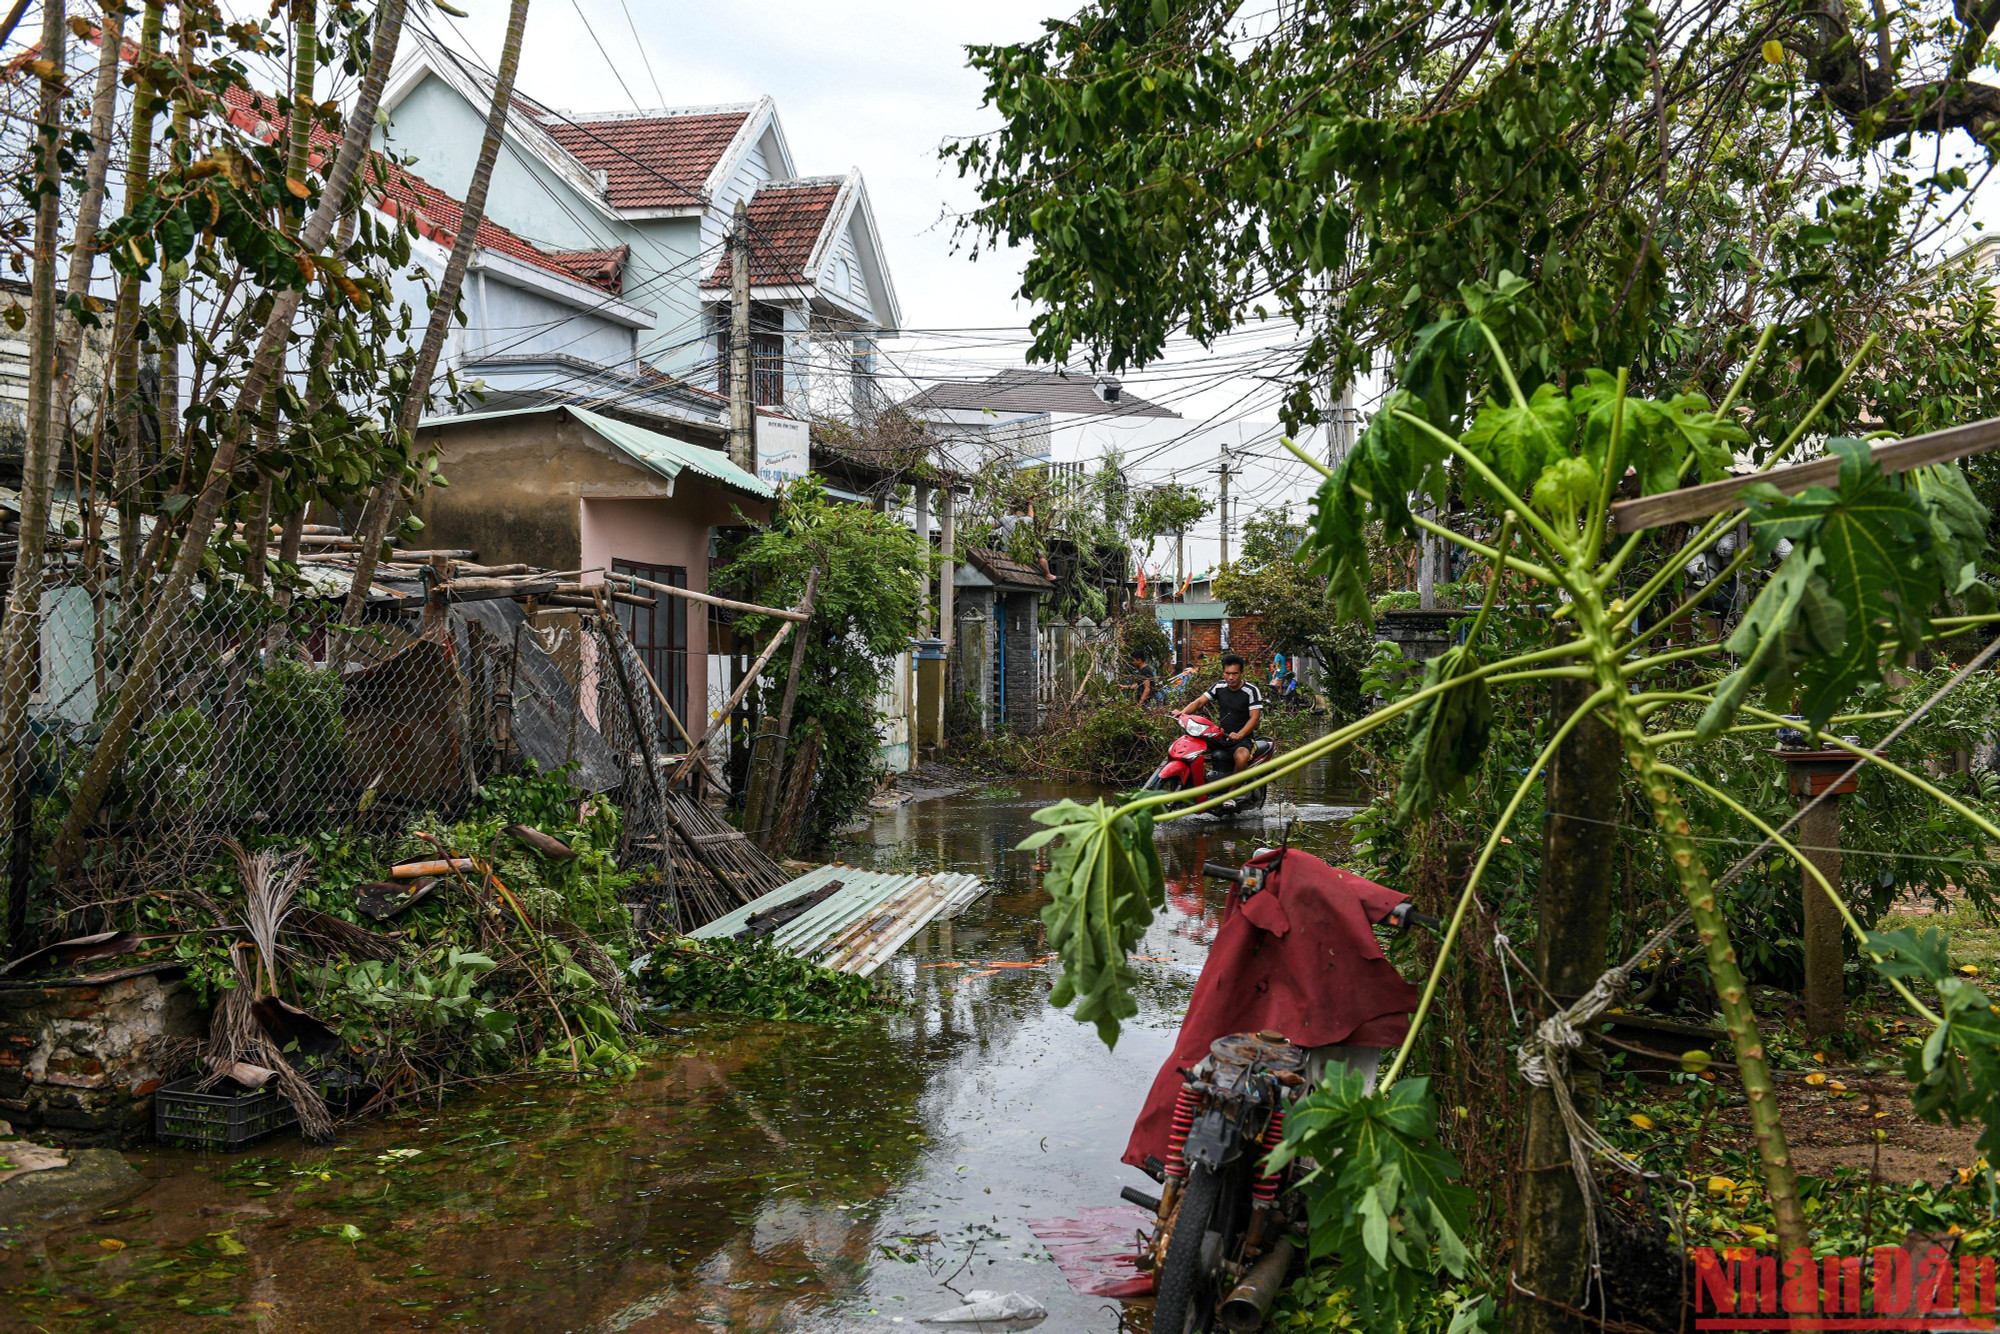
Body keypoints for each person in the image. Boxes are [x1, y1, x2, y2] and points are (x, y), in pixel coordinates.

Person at [1186, 653, 1264, 773]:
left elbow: (1254, 718)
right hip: (1221, 736)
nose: (1231, 677)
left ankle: (1235, 785)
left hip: (1243, 740)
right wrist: (1181, 713)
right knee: (1190, 749)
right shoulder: (1219, 686)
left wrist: (1240, 734)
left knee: (1241, 758)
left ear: (1241, 673)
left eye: (1235, 673)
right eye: (1227, 673)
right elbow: (1199, 702)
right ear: (1223, 673)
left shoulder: (1251, 691)